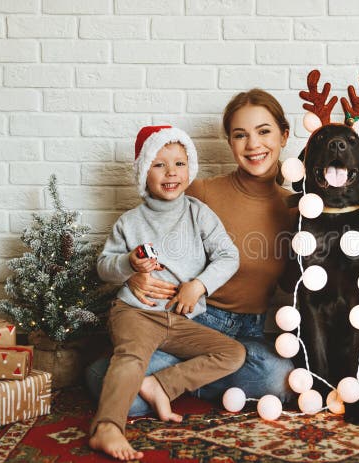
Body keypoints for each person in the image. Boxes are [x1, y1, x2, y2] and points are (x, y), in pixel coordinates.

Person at [86, 89, 297, 415]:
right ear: (230, 143)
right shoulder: (199, 191)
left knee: (278, 379)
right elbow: (141, 237)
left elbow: (289, 285)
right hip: (186, 318)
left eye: (264, 131)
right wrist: (134, 278)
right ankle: (172, 380)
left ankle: (168, 382)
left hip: (248, 333)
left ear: (284, 135)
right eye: (240, 135)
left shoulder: (296, 209)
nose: (253, 144)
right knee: (111, 385)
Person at [89, 125, 246, 461]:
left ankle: (160, 385)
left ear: (189, 169)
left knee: (232, 353)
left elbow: (229, 255)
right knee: (132, 358)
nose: (171, 172)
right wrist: (129, 265)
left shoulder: (198, 213)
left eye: (179, 163)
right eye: (159, 165)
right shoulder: (129, 222)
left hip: (177, 318)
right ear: (144, 173)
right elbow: (103, 266)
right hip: (135, 312)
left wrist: (198, 285)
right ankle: (107, 427)